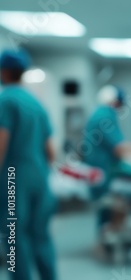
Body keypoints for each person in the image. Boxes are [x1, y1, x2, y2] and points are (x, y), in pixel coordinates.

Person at [0, 49, 57, 280]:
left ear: (3, 72)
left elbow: (1, 143)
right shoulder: (36, 103)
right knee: (40, 234)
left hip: (14, 178)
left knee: (14, 234)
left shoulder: (6, 100)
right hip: (40, 177)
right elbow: (51, 151)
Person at [82, 85, 131, 225]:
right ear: (114, 102)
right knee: (106, 205)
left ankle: (105, 238)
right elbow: (119, 147)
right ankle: (105, 239)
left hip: (99, 166)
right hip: (102, 169)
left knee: (104, 205)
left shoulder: (98, 113)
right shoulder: (105, 115)